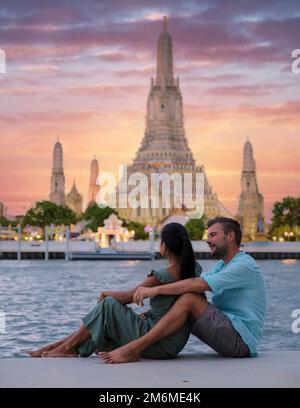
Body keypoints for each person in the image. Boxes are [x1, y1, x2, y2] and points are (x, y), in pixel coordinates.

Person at [99, 217, 267, 364]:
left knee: (190, 298)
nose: (208, 240)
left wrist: (156, 290)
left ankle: (134, 348)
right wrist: (150, 313)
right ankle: (122, 343)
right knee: (189, 294)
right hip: (229, 336)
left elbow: (198, 285)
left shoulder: (244, 265)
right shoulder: (222, 266)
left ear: (230, 236)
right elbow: (191, 285)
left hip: (242, 341)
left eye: (213, 235)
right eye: (208, 236)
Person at [25, 222, 203, 358]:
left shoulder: (161, 275)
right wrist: (149, 313)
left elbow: (127, 297)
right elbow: (172, 305)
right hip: (174, 343)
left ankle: (65, 348)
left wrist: (105, 293)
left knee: (108, 305)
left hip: (157, 340)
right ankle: (55, 348)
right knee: (101, 324)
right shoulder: (194, 270)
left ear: (164, 246)